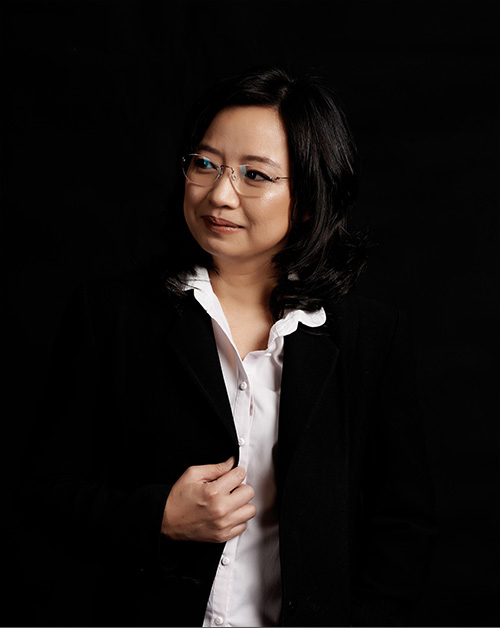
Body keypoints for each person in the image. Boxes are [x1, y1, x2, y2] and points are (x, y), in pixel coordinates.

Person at [22, 66, 436, 627]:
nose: (219, 194)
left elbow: (402, 526)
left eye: (254, 175)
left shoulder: (370, 336)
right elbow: (42, 495)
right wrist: (158, 517)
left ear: (308, 198)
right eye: (204, 164)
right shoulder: (110, 314)